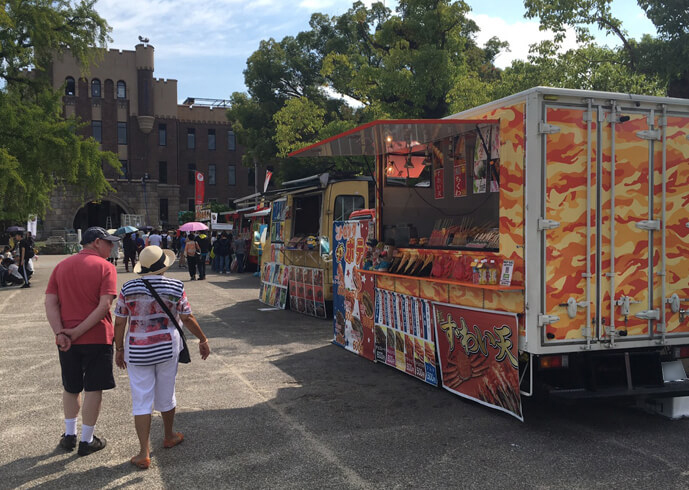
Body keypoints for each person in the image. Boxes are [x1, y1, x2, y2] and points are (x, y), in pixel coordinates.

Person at [113, 246, 210, 469]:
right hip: (167, 348)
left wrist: (119, 349)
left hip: (137, 350)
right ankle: (169, 435)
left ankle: (143, 452)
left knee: (141, 399)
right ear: (164, 266)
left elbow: (119, 321)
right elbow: (187, 317)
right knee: (167, 392)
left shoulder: (128, 287)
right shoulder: (176, 286)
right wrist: (203, 339)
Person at [45, 227, 120, 456]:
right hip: (97, 336)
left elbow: (51, 303)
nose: (112, 247)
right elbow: (104, 305)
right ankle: (87, 440)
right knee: (93, 388)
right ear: (97, 242)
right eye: (109, 242)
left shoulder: (61, 267)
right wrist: (77, 332)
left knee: (71, 386)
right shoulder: (106, 267)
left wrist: (61, 333)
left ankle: (69, 435)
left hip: (66, 340)